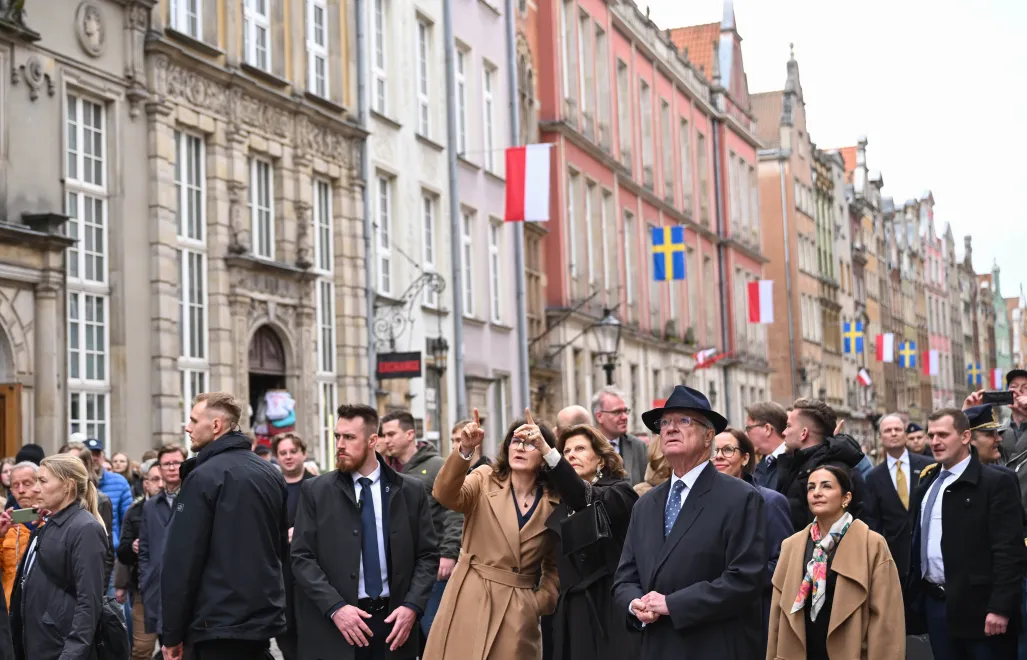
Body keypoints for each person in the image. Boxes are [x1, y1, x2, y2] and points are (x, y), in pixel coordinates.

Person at [612, 385, 766, 659]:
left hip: (714, 646)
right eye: (664, 423)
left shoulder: (740, 498)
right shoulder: (645, 504)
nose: (671, 428)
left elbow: (745, 579)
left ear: (708, 436)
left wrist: (673, 604)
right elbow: (625, 578)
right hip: (657, 646)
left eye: (684, 421)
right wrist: (635, 604)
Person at [291, 404, 438, 660]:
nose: (340, 444)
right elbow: (302, 558)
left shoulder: (410, 491)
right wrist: (336, 607)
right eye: (337, 436)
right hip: (336, 626)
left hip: (393, 625)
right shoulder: (316, 491)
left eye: (349, 437)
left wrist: (412, 606)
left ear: (372, 441)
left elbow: (427, 555)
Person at [160, 392, 289, 660]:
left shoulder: (203, 477)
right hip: (259, 620)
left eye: (194, 420)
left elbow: (182, 561)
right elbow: (279, 549)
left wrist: (172, 634)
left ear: (216, 425)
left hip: (216, 623)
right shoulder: (269, 473)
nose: (187, 427)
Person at [424, 409, 561, 660]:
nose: (520, 448)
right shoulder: (484, 478)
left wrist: (539, 602)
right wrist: (465, 450)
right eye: (515, 441)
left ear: (544, 457)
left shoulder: (555, 501)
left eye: (530, 443)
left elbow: (555, 565)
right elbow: (444, 494)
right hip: (470, 597)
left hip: (519, 608)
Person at [906, 408, 1027, 659]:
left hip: (983, 612)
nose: (935, 442)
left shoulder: (995, 482)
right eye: (931, 435)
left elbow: (1008, 550)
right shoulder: (927, 485)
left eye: (943, 434)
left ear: (965, 437)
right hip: (936, 607)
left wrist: (1000, 607)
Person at [767, 465, 905, 659]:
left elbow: (886, 620)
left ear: (846, 498)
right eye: (811, 487)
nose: (817, 493)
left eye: (826, 486)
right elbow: (777, 618)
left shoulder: (871, 544)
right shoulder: (791, 546)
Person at [535, 423, 638, 660]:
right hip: (570, 614)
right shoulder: (561, 506)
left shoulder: (618, 492)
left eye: (580, 449)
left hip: (608, 610)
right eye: (566, 451)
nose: (571, 455)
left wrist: (547, 451)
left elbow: (585, 498)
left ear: (600, 459)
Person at [9, 454, 109, 660]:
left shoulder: (86, 528)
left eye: (42, 481)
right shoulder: (49, 522)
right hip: (39, 643)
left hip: (59, 647)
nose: (35, 489)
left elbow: (88, 602)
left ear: (68, 486)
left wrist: (71, 654)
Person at [378, 410, 462, 646]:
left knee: (435, 632)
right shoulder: (384, 471)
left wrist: (448, 553)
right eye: (384, 435)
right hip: (398, 569)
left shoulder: (437, 466)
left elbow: (455, 511)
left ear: (410, 434)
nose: (387, 440)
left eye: (392, 434)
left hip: (432, 564)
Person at [711, 428, 792, 647]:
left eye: (728, 450)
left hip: (755, 615)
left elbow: (784, 563)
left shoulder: (770, 502)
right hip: (711, 616)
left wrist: (736, 580)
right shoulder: (701, 503)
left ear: (745, 458)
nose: (719, 456)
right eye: (714, 451)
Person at [777, 398, 870, 531]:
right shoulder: (798, 465)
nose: (784, 432)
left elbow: (824, 530)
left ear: (804, 433)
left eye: (789, 426)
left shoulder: (831, 470)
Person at [864, 414, 932, 581]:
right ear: (880, 437)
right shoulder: (873, 476)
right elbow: (873, 520)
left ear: (905, 435)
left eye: (898, 429)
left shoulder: (928, 466)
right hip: (894, 560)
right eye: (888, 430)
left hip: (927, 555)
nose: (893, 433)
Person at [272, 433, 316, 660]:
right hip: (281, 569)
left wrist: (301, 534)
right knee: (285, 629)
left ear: (303, 454)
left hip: (312, 568)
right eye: (283, 453)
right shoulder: (271, 486)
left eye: (293, 451)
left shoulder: (318, 485)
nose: (288, 457)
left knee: (312, 627)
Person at [139, 443, 185, 643]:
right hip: (156, 587)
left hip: (186, 587)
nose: (172, 468)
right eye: (167, 464)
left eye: (177, 463)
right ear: (160, 468)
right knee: (165, 644)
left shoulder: (194, 499)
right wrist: (145, 578)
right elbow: (144, 549)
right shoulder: (150, 506)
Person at [117, 460, 161, 660]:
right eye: (155, 479)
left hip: (175, 591)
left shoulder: (181, 506)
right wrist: (132, 547)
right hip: (143, 589)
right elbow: (122, 552)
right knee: (142, 649)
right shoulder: (135, 511)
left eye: (163, 479)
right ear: (146, 484)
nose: (160, 484)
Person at [592, 387, 648, 485]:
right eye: (617, 412)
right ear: (599, 417)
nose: (625, 417)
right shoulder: (588, 446)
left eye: (625, 411)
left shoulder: (638, 446)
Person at [2, 462, 39, 607]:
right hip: (10, 607)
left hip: (44, 609)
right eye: (16, 486)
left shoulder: (52, 520)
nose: (21, 490)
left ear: (40, 484)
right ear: (11, 491)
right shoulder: (5, 524)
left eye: (27, 484)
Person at [85, 438, 132, 551]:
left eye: (97, 454)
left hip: (111, 547)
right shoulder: (75, 482)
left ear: (103, 456)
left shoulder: (119, 482)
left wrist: (120, 545)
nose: (94, 458)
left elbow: (127, 518)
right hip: (82, 544)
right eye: (90, 454)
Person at [745, 402, 789, 490]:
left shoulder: (794, 462)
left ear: (767, 429)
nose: (746, 434)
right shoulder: (757, 468)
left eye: (749, 428)